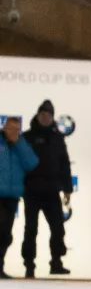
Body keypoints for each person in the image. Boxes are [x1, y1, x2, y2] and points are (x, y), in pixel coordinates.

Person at [20, 100, 71, 277]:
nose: (45, 118)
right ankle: (29, 265)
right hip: (31, 191)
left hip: (51, 191)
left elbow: (64, 164)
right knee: (31, 229)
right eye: (42, 114)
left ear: (52, 118)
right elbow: (19, 164)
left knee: (58, 228)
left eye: (48, 115)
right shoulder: (26, 137)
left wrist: (68, 189)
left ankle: (56, 262)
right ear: (37, 115)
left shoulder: (58, 138)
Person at [0, 116, 38, 279]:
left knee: (5, 235)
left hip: (13, 196)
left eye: (16, 129)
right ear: (4, 127)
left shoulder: (21, 144)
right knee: (1, 230)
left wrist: (18, 143)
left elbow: (32, 163)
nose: (12, 131)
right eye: (10, 128)